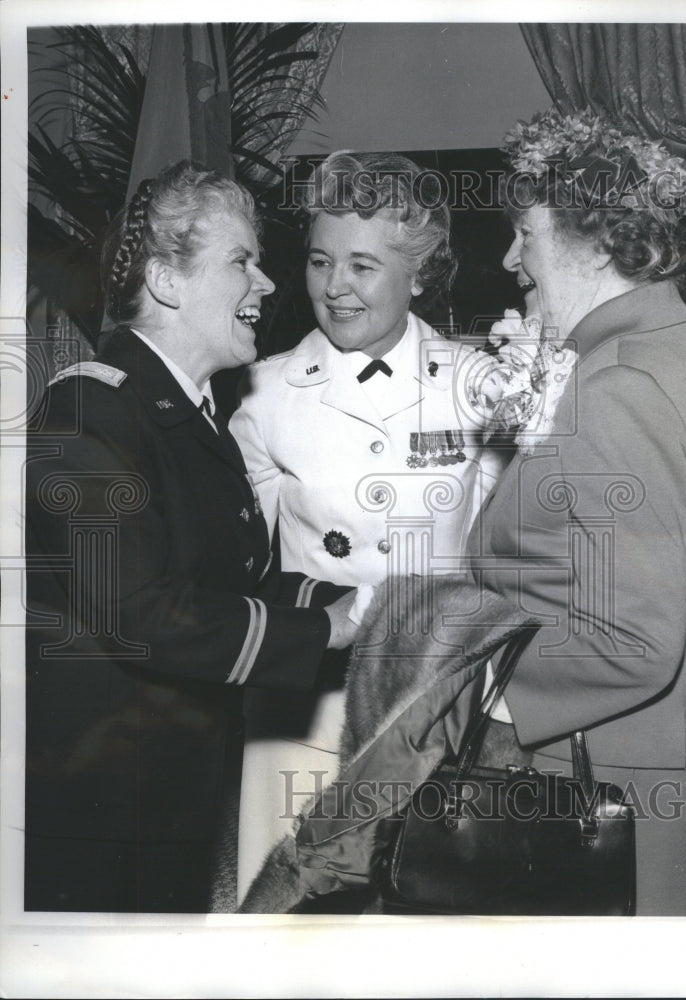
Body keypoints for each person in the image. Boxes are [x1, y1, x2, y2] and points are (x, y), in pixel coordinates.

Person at [462, 108, 686, 915]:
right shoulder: (676, 348)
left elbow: (632, 639)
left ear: (597, 239)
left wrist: (480, 678)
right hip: (662, 759)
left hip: (607, 781)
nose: (510, 257)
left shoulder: (621, 384)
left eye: (523, 232)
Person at [25, 160, 361, 913]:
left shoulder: (183, 413)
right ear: (168, 282)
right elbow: (141, 615)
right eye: (242, 261)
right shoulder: (91, 409)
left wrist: (358, 603)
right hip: (97, 811)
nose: (267, 285)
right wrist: (321, 629)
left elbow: (226, 578)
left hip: (165, 790)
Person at [229, 151, 505, 901]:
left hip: (431, 707)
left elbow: (501, 559)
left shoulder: (479, 386)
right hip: (306, 700)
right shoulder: (262, 392)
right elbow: (244, 562)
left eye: (361, 266)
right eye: (320, 262)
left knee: (410, 911)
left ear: (419, 274)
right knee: (285, 903)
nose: (334, 288)